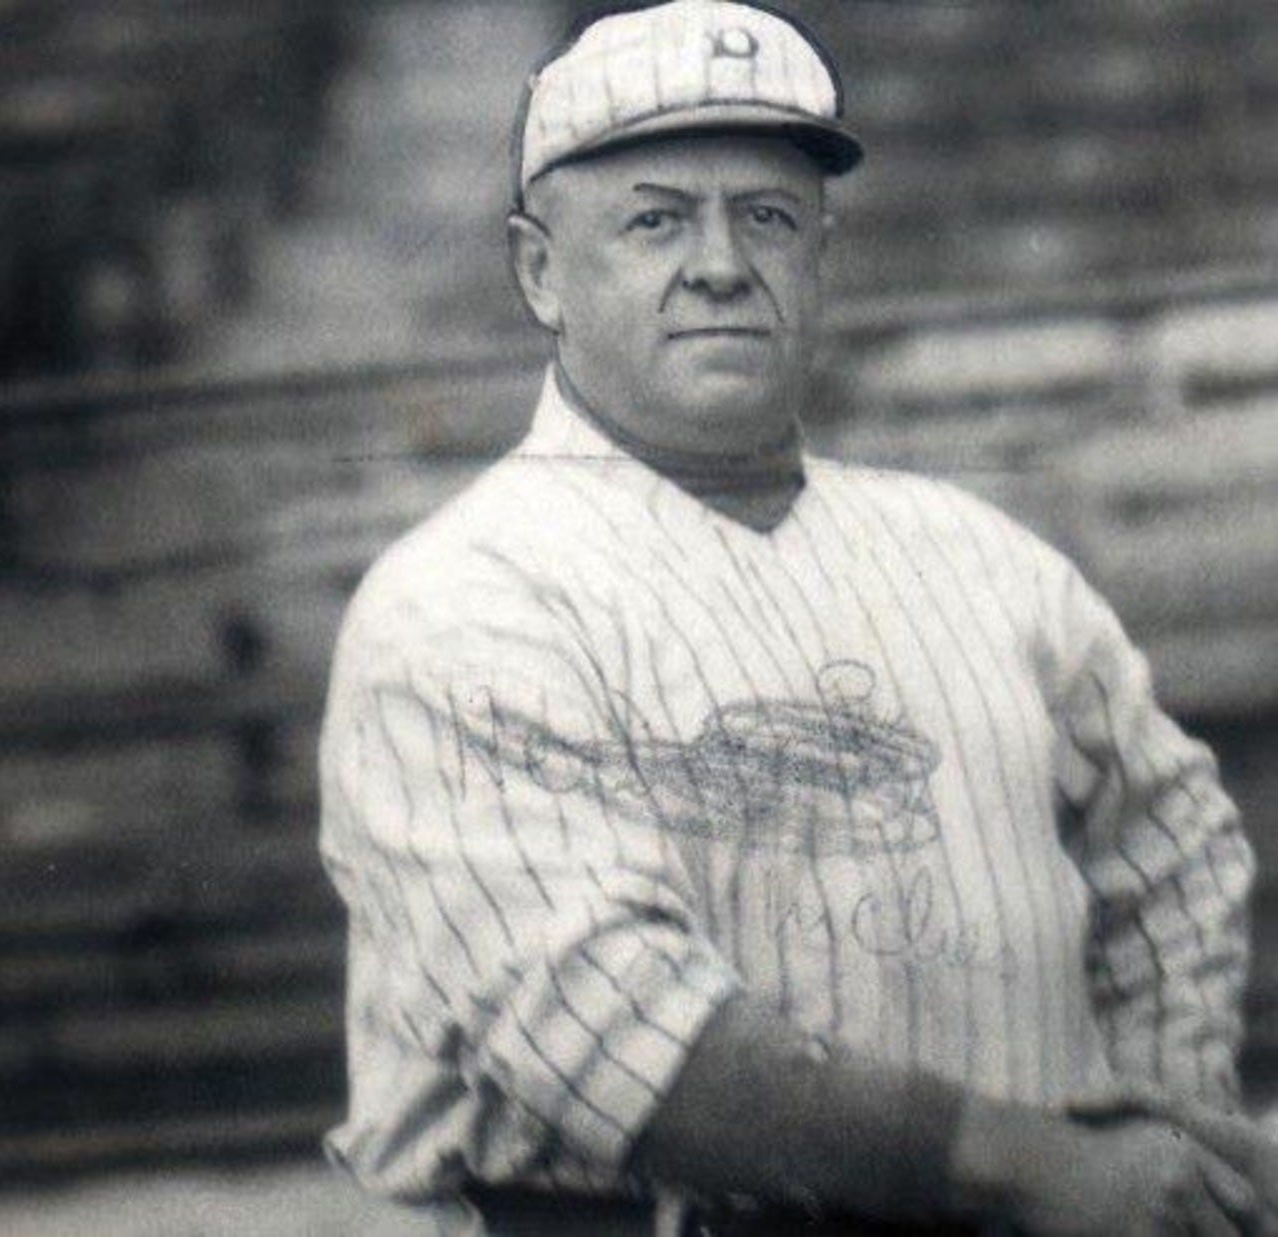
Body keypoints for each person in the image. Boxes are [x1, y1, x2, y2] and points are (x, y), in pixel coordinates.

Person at [319, 3, 1271, 1233]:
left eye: (765, 216)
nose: (720, 264)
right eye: (655, 219)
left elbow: (1169, 842)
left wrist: (1161, 1128)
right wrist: (1041, 1166)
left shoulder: (980, 557)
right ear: (540, 272)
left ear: (820, 256)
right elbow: (610, 1028)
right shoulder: (463, 598)